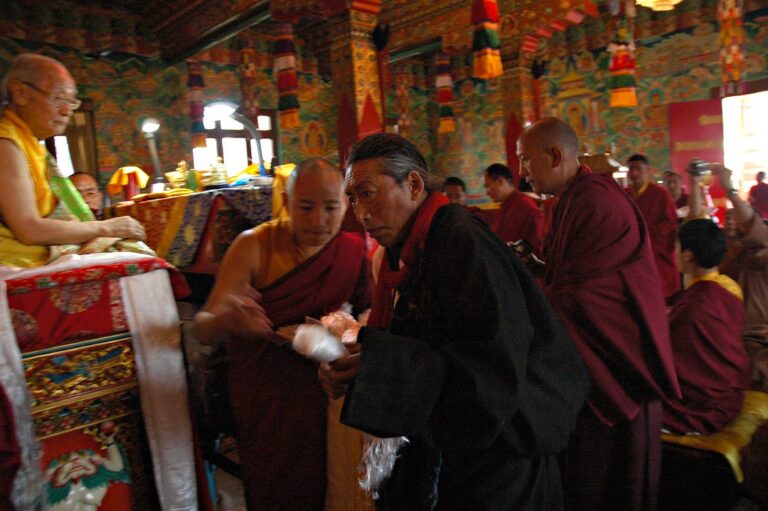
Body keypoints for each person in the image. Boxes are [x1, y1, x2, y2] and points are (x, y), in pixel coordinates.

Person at [319, 133, 589, 510]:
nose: (361, 213)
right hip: (460, 450)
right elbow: (425, 341)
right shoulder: (417, 245)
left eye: (367, 193)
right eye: (353, 198)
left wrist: (378, 366)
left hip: (501, 459)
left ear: (413, 184)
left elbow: (492, 371)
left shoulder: (461, 243)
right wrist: (360, 363)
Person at [517, 118, 680, 511]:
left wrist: (528, 297)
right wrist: (537, 268)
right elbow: (573, 274)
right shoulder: (574, 197)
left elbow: (591, 298)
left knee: (603, 485)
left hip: (614, 367)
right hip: (587, 363)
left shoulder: (595, 199)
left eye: (525, 160)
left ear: (555, 156)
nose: (522, 172)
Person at [194, 158, 372, 510]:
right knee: (275, 485)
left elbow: (369, 313)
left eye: (331, 208)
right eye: (306, 207)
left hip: (326, 388)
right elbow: (202, 327)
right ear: (287, 204)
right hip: (266, 390)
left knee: (330, 481)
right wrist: (229, 319)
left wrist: (346, 333)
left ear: (346, 205)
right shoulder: (253, 245)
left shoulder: (352, 250)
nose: (319, 220)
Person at [0, 53, 147, 268]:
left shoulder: (29, 143)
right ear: (21, 93)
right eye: (58, 98)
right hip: (15, 259)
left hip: (32, 251)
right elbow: (29, 230)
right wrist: (106, 228)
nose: (67, 111)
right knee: (135, 264)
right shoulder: (6, 143)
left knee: (134, 255)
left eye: (71, 101)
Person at [663, 219, 749, 434]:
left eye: (675, 247)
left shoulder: (694, 305)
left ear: (688, 255)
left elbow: (671, 357)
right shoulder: (729, 289)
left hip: (707, 405)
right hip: (732, 393)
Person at [691, 166, 768, 392]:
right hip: (727, 331)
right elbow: (696, 226)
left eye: (738, 218)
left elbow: (757, 230)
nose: (733, 223)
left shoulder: (759, 253)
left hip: (756, 337)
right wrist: (694, 182)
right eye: (729, 218)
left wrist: (730, 190)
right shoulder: (726, 250)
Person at [626, 154, 680, 300]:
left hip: (657, 255)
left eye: (638, 168)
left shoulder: (661, 195)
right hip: (632, 257)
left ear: (648, 171)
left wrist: (643, 235)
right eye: (631, 169)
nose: (634, 173)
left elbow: (670, 224)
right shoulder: (624, 195)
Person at [484, 163, 544, 254]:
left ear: (500, 181)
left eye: (488, 186)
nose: (487, 192)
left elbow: (536, 244)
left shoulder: (524, 205)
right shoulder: (506, 205)